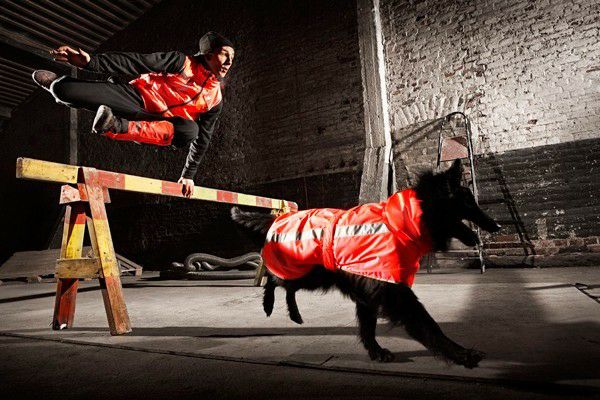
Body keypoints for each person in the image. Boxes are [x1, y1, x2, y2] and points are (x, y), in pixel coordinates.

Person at [32, 31, 235, 198]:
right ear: (208, 54)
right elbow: (137, 62)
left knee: (191, 130)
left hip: (155, 124)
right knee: (63, 90)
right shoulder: (182, 62)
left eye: (232, 58)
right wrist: (91, 62)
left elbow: (203, 139)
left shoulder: (215, 99)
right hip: (136, 97)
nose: (229, 61)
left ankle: (115, 125)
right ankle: (57, 85)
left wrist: (188, 175)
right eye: (225, 54)